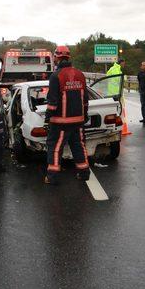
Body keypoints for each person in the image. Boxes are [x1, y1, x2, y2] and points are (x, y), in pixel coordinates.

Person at [43, 45, 90, 185]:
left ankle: (52, 176)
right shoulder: (80, 74)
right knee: (79, 146)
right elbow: (85, 99)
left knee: (55, 148)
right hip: (78, 120)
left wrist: (47, 117)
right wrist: (84, 115)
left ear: (56, 57)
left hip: (60, 122)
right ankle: (84, 173)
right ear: (69, 57)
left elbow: (52, 102)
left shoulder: (55, 76)